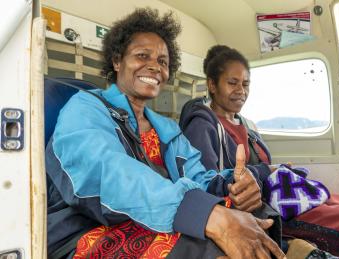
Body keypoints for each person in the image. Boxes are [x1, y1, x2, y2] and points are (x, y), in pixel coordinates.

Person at [46, 9, 286, 259]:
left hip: (154, 219)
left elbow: (199, 179)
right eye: (142, 56)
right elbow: (106, 172)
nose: (154, 66)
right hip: (86, 230)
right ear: (117, 61)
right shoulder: (85, 107)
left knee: (257, 217)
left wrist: (234, 185)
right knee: (212, 245)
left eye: (163, 61)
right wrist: (204, 214)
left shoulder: (167, 128)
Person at [179, 44, 339, 259]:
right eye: (232, 83)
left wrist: (278, 170)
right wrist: (266, 170)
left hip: (280, 195)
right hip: (263, 209)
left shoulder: (246, 124)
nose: (241, 90)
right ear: (212, 85)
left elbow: (262, 167)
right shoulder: (202, 125)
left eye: (245, 84)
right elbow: (208, 183)